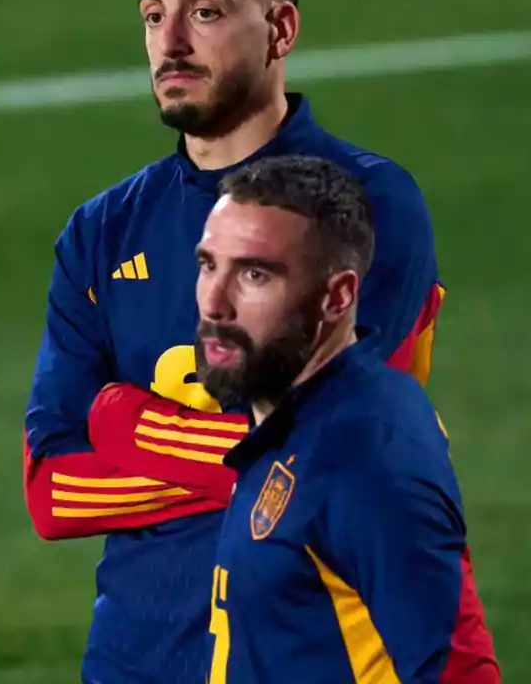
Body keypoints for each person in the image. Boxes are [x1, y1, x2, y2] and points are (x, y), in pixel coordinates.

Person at [22, 0, 496, 682]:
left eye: (204, 12)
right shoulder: (101, 232)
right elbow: (52, 493)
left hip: (310, 650)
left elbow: (332, 454)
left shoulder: (364, 207)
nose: (169, 44)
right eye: (152, 15)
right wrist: (244, 461)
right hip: (136, 662)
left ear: (280, 29)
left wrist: (122, 419)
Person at [189, 154, 499, 681]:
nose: (214, 303)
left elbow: (458, 672)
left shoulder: (366, 457)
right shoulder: (293, 419)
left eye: (255, 274)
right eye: (208, 264)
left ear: (338, 296)